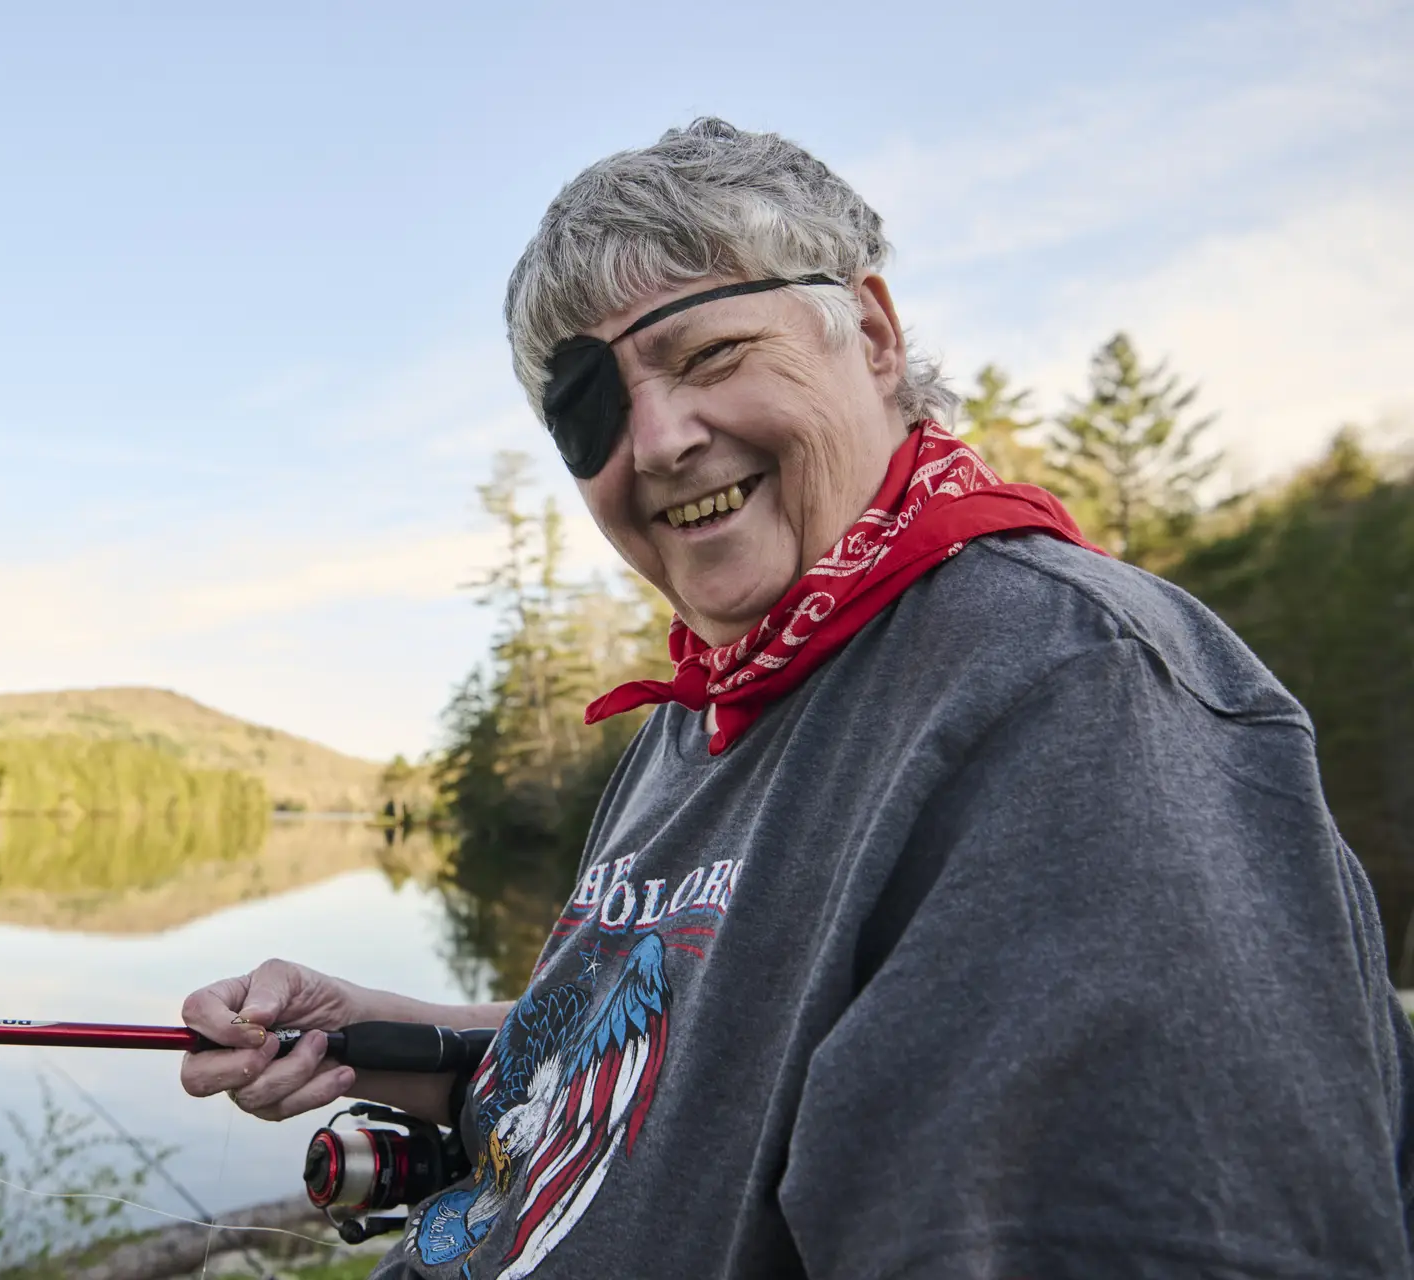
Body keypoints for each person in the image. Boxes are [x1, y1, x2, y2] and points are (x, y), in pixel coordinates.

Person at [180, 118, 1414, 1278]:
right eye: (592, 407)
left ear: (871, 336)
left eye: (710, 354)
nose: (657, 439)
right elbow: (698, 1068)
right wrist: (406, 1035)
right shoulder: (703, 712)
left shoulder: (1077, 694)